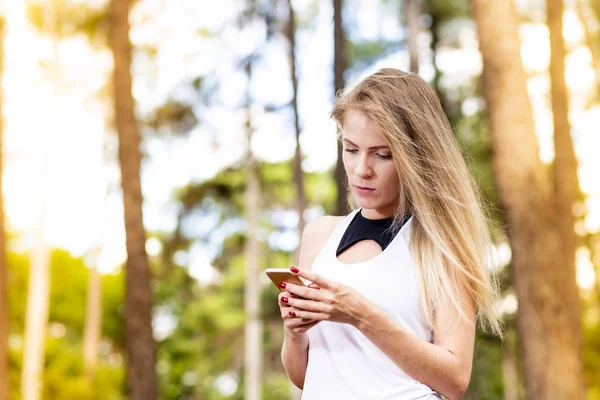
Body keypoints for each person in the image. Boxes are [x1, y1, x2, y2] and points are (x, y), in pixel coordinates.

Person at [277, 68, 503, 400]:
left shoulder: (440, 244)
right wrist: (294, 333)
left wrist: (362, 315)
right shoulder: (319, 235)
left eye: (382, 154)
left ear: (416, 156)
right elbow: (305, 378)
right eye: (351, 148)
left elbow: (455, 380)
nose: (361, 169)